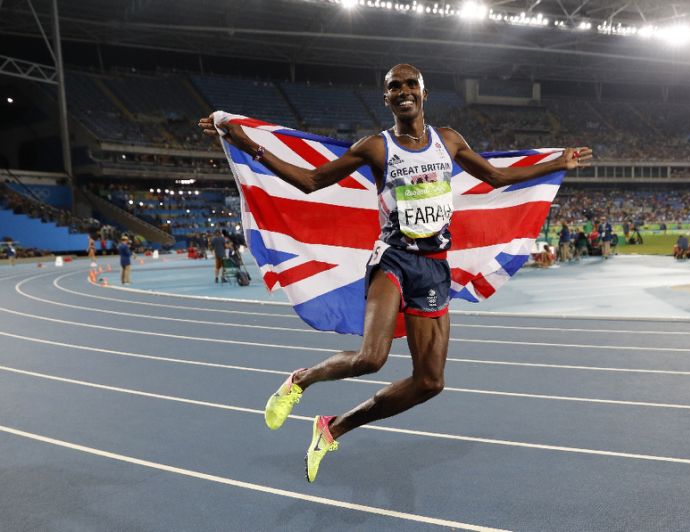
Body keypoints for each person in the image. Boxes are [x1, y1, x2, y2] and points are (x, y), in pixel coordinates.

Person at [198, 63, 592, 482]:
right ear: (385, 98)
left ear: (423, 92)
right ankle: (302, 380)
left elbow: (496, 176)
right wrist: (246, 144)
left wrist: (556, 163)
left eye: (409, 85)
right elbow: (312, 181)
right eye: (393, 87)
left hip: (435, 268)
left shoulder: (450, 142)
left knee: (429, 382)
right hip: (393, 261)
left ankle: (332, 428)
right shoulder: (376, 147)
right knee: (372, 358)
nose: (402, 91)